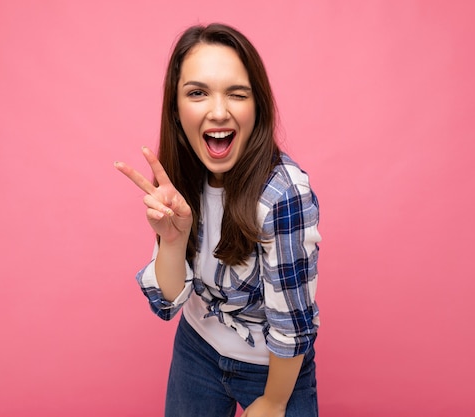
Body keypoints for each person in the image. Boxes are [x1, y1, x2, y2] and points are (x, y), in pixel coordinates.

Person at [114, 23, 321, 417]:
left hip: (274, 370)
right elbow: (168, 304)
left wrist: (275, 402)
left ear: (256, 105)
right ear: (176, 109)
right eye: (197, 93)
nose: (219, 111)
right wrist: (173, 242)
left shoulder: (283, 195)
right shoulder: (180, 177)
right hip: (197, 351)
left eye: (236, 94)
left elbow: (293, 323)